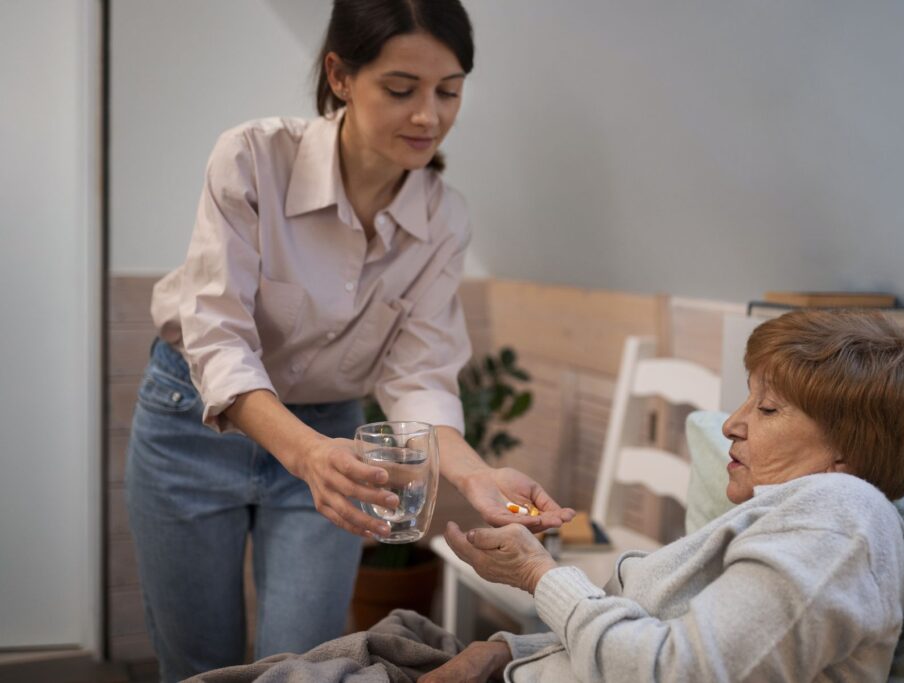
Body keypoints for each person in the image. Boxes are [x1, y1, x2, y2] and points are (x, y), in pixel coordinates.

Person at [125, 2, 572, 681]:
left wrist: (477, 475)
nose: (429, 115)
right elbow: (217, 340)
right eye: (401, 89)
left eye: (448, 91)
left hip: (335, 435)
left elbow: (418, 374)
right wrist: (304, 454)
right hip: (193, 424)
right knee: (197, 663)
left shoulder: (443, 218)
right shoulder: (251, 158)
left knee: (307, 662)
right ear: (339, 75)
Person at [430, 309, 904, 681]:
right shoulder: (795, 515)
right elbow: (654, 639)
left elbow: (676, 673)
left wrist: (538, 575)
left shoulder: (842, 518)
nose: (731, 424)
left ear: (847, 451)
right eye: (746, 401)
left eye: (768, 409)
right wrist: (504, 652)